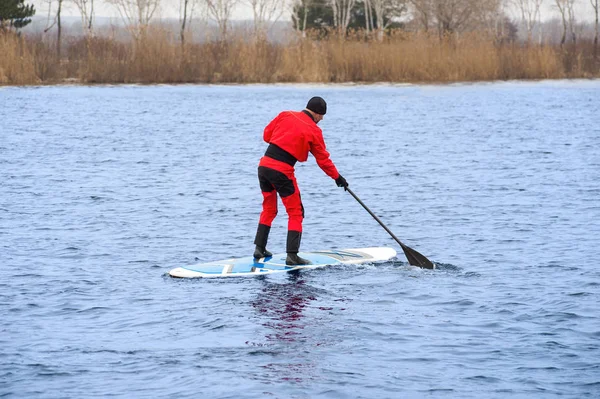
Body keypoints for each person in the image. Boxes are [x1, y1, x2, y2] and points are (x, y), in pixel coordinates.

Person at [253, 96, 348, 266]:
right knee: (296, 212)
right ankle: (292, 256)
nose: (322, 119)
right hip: (282, 171)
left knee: (269, 208)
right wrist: (337, 178)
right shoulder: (314, 131)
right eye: (322, 116)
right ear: (317, 114)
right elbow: (323, 160)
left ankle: (259, 249)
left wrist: (285, 139)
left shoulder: (285, 114)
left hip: (264, 167)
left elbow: (267, 135)